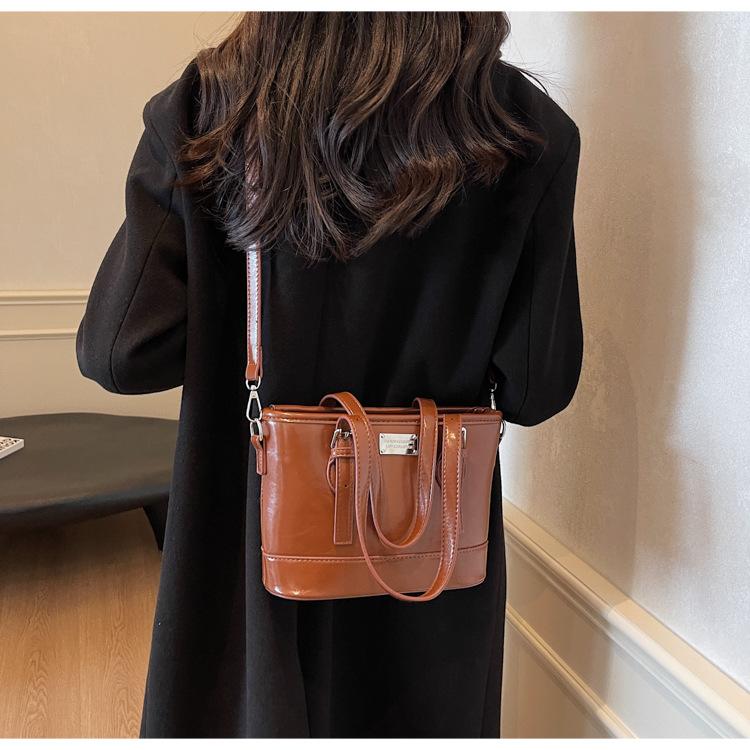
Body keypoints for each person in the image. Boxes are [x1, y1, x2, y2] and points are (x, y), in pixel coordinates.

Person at [76, 12, 582, 738]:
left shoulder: (210, 106)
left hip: (244, 566)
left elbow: (119, 354)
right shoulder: (527, 129)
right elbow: (537, 389)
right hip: (427, 575)